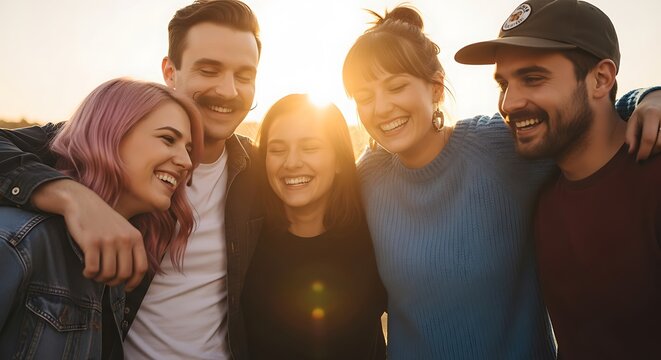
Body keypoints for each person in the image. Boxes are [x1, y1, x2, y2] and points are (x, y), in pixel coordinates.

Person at [341, 5, 661, 359]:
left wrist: (649, 97)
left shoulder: (501, 145)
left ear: (435, 89)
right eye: (364, 97)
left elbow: (586, 119)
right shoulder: (367, 175)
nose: (381, 108)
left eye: (396, 87)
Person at [0, 1, 263, 358]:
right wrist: (73, 197)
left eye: (244, 76)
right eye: (209, 69)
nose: (229, 91)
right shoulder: (102, 137)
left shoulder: (262, 170)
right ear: (170, 71)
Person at [455, 0, 661, 358]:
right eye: (504, 83)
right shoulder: (542, 196)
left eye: (533, 78)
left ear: (600, 79)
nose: (509, 103)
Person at [0, 78, 203, 359]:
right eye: (168, 139)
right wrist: (71, 196)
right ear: (111, 134)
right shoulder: (18, 241)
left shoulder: (119, 258)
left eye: (188, 149)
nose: (187, 162)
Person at [241, 94, 386, 359]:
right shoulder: (245, 240)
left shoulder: (374, 237)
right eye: (277, 149)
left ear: (340, 161)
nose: (291, 162)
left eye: (309, 147)